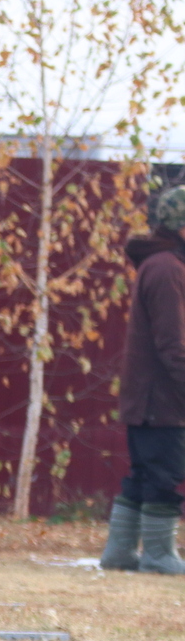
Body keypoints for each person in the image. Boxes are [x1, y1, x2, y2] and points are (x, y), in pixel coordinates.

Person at [99, 185, 185, 575]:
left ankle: (119, 554)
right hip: (160, 401)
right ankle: (158, 556)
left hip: (151, 399)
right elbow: (175, 345)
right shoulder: (167, 269)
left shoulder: (163, 265)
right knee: (163, 475)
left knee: (146, 473)